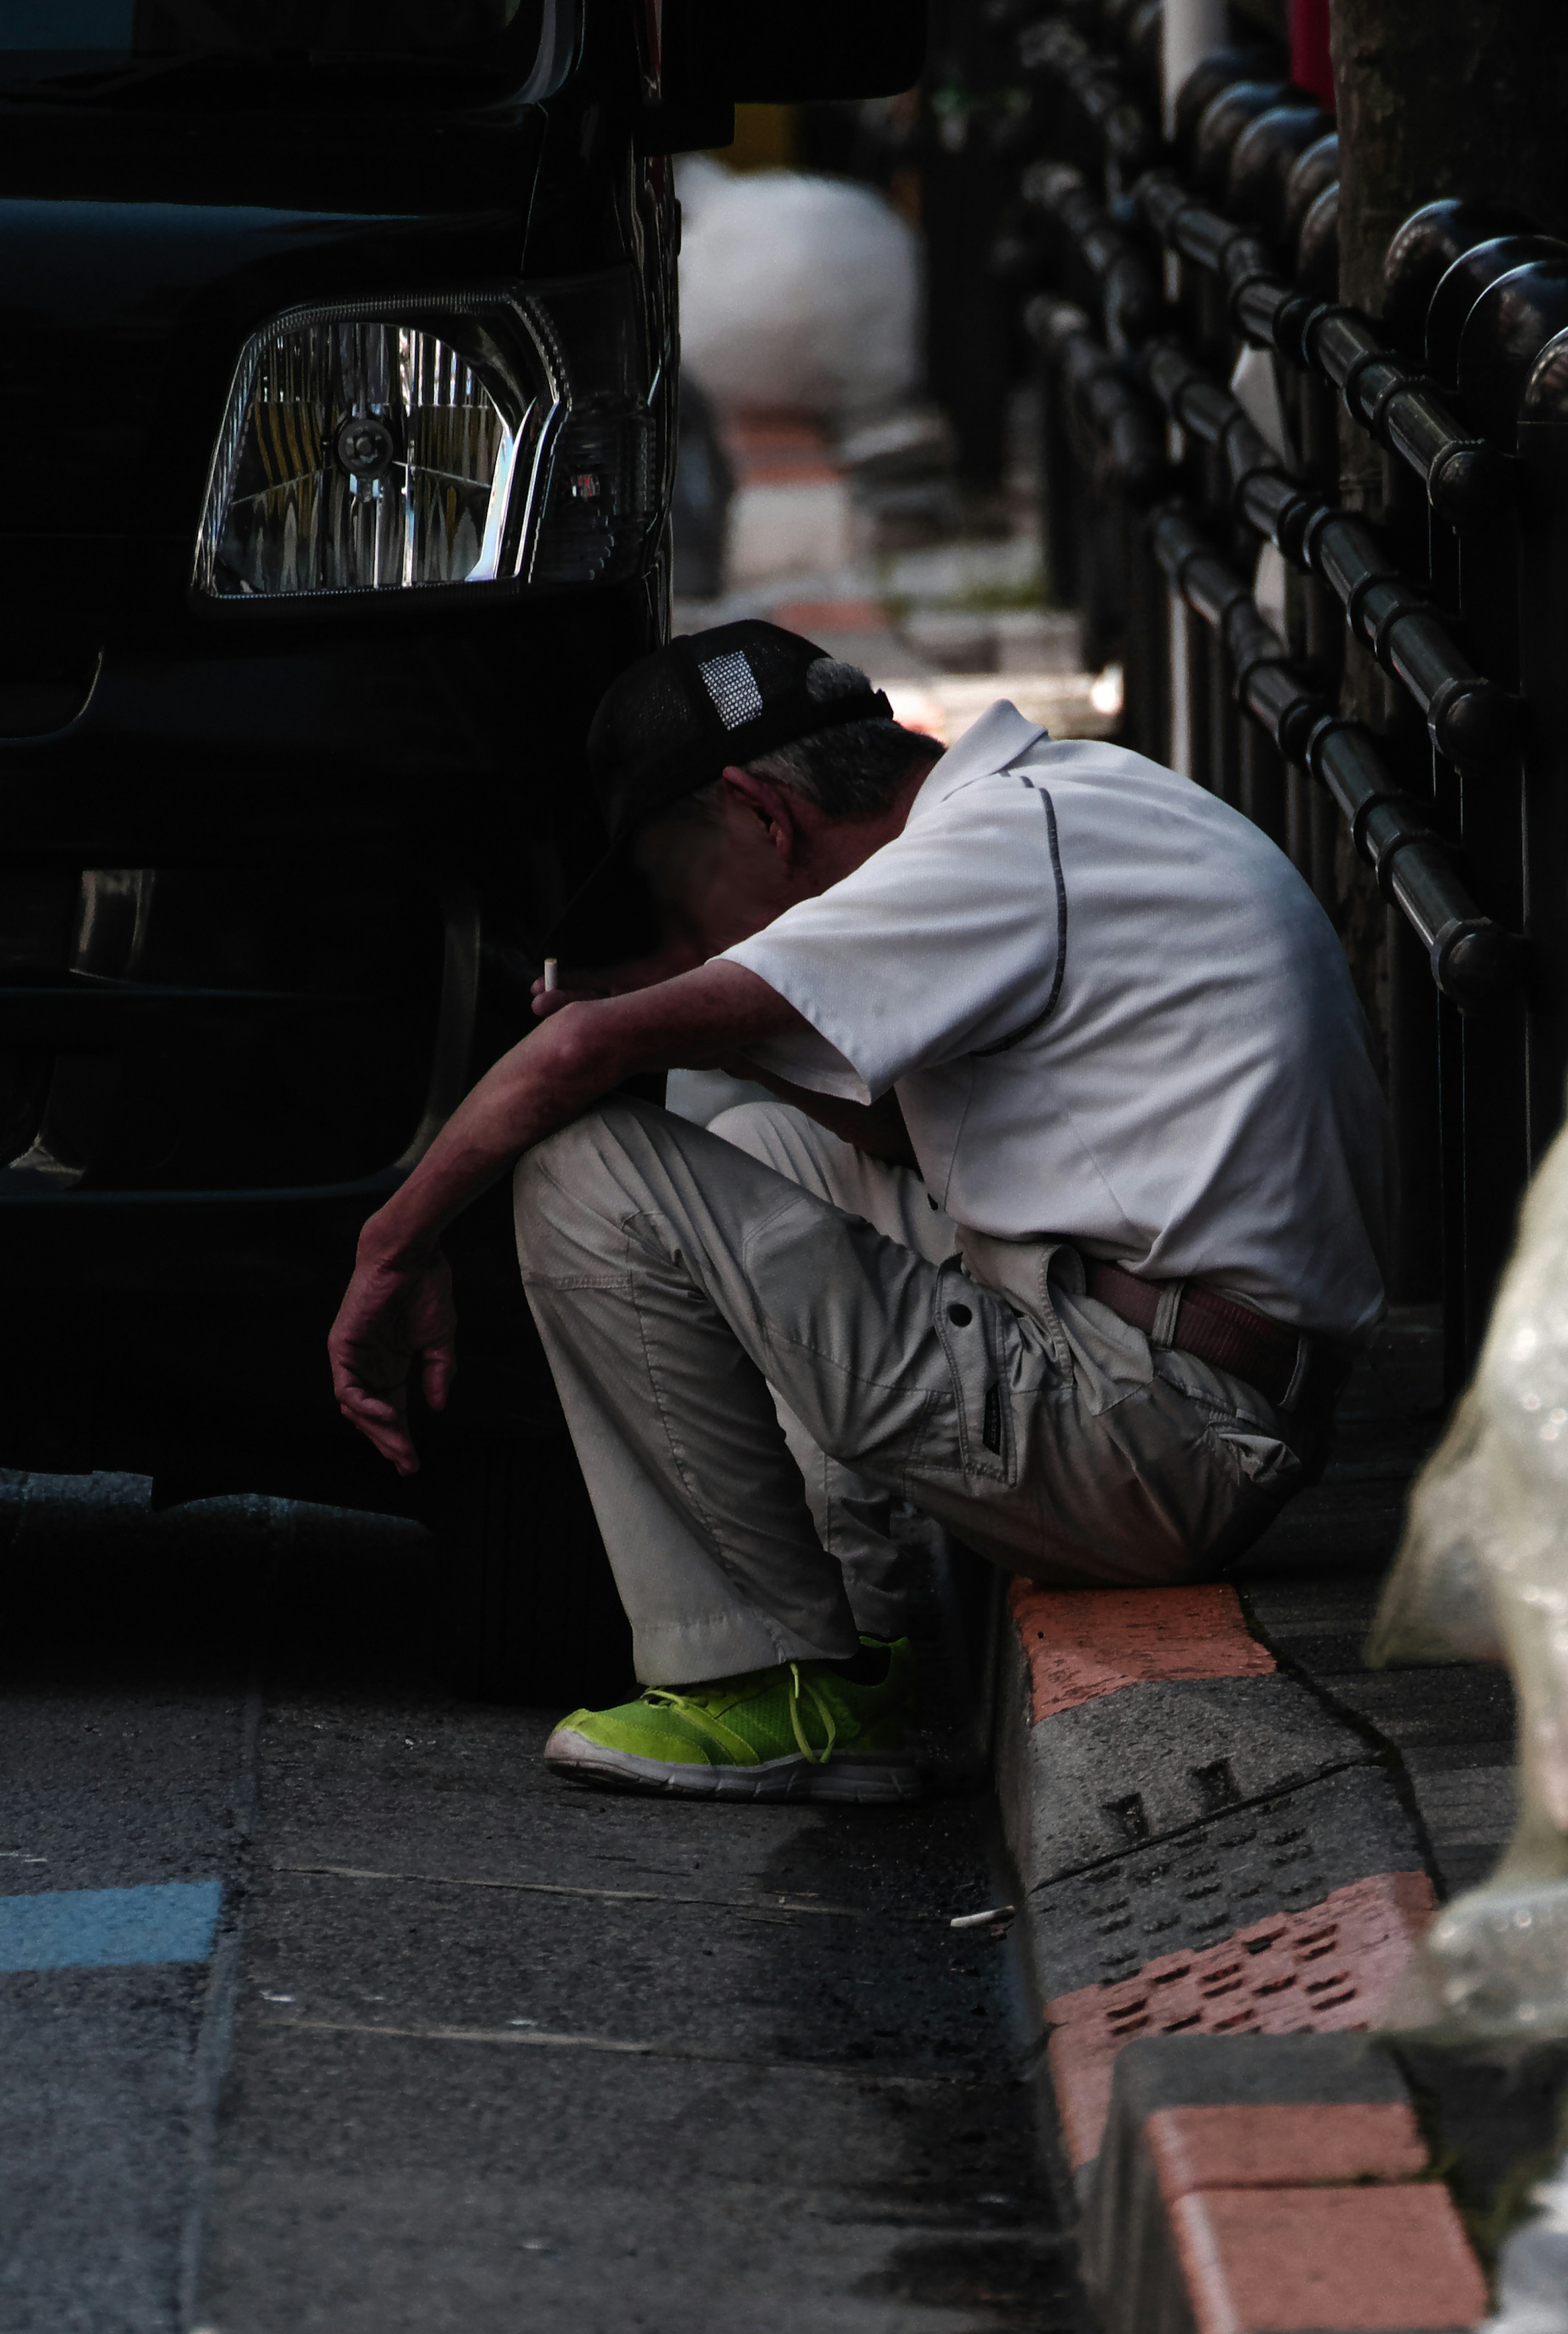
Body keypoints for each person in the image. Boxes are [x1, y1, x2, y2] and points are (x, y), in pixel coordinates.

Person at [328, 621, 1392, 1800]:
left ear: (760, 814)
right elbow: (900, 1143)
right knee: (762, 1139)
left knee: (590, 1167)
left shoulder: (985, 852)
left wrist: (392, 1251)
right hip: (1182, 1383)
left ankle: (762, 1677)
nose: (686, 935)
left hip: (1162, 1432)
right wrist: (678, 1004)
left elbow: (577, 1054)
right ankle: (864, 1642)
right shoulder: (1061, 802)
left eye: (671, 887)